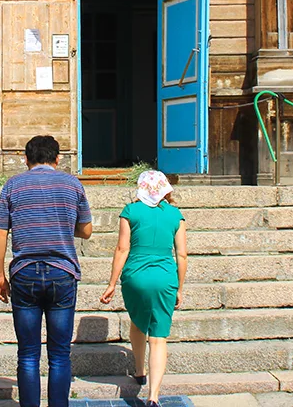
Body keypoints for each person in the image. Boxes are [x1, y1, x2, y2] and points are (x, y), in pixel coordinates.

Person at [0, 135, 94, 407]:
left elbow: (0, 235)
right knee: (60, 354)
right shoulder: (72, 183)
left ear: (26, 159)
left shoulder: (13, 185)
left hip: (24, 273)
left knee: (27, 354)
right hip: (62, 272)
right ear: (57, 158)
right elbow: (86, 230)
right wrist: (60, 226)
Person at [100, 170, 188, 407]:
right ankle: (153, 396)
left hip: (135, 277)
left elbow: (122, 249)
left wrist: (111, 284)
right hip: (165, 278)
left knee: (138, 323)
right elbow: (181, 254)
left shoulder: (130, 211)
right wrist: (179, 287)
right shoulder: (175, 215)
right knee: (158, 337)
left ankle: (139, 370)